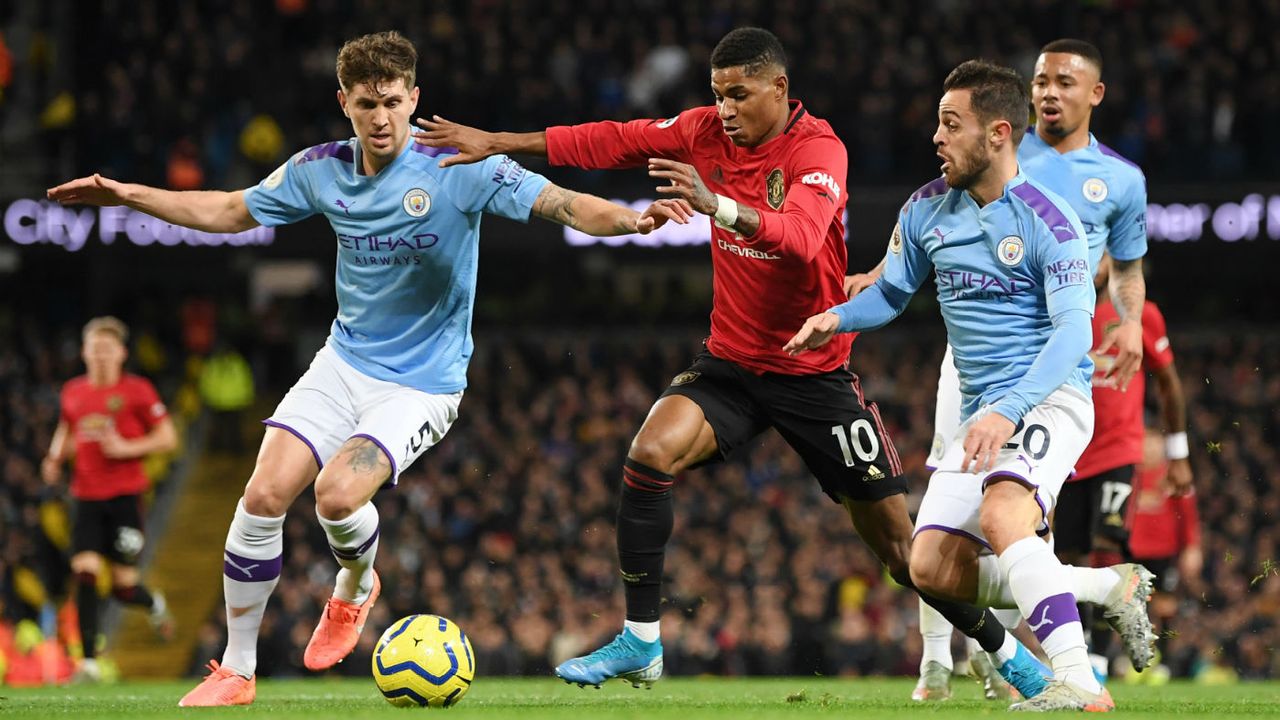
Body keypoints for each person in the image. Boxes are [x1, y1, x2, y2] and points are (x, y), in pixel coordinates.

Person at [47, 31, 690, 707]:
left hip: (422, 383)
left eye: (391, 100)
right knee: (262, 495)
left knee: (335, 496)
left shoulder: (458, 166)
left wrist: (631, 220)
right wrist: (128, 195)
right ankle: (237, 670)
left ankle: (354, 586)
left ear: (414, 98)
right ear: (344, 104)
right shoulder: (320, 169)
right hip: (343, 362)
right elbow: (229, 210)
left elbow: (562, 203)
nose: (380, 117)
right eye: (365, 104)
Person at [413, 27, 1048, 695]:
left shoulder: (818, 149)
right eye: (717, 96)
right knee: (648, 453)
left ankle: (1007, 654)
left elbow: (804, 240)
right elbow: (609, 138)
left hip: (815, 374)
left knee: (902, 554)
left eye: (738, 95)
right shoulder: (701, 132)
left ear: (778, 88)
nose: (725, 110)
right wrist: (499, 142)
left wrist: (716, 205)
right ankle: (642, 641)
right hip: (734, 365)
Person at [785, 59, 1155, 711]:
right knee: (929, 570)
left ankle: (1078, 679)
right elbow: (893, 292)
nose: (936, 137)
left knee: (1004, 514)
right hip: (984, 411)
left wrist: (1009, 411)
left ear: (997, 134)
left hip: (1050, 399)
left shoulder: (1051, 219)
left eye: (951, 124)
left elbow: (1073, 332)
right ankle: (1100, 589)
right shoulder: (927, 210)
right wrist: (837, 319)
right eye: (937, 122)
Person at [1061, 253, 1192, 680]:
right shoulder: (1060, 306)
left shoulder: (1140, 316)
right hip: (1068, 453)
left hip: (1119, 452)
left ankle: (1097, 658)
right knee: (1067, 555)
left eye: (1102, 254)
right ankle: (1074, 648)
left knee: (1106, 544)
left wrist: (1178, 454)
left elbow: (1170, 385)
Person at [42, 316, 179, 682]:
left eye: (108, 349)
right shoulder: (73, 391)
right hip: (85, 497)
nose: (101, 355)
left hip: (125, 498)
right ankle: (87, 663)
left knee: (123, 588)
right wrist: (54, 458)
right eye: (95, 349)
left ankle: (154, 604)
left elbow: (168, 438)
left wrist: (126, 447)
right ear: (85, 352)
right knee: (84, 572)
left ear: (121, 353)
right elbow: (67, 428)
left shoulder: (138, 391)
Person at [1127, 429, 1201, 681]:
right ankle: (1135, 660)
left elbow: (1188, 518)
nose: (1150, 450)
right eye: (1146, 445)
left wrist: (1192, 547)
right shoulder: (1129, 475)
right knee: (1133, 607)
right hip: (1132, 551)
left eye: (1155, 445)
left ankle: (1166, 663)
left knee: (1166, 606)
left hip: (1164, 551)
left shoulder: (1174, 476)